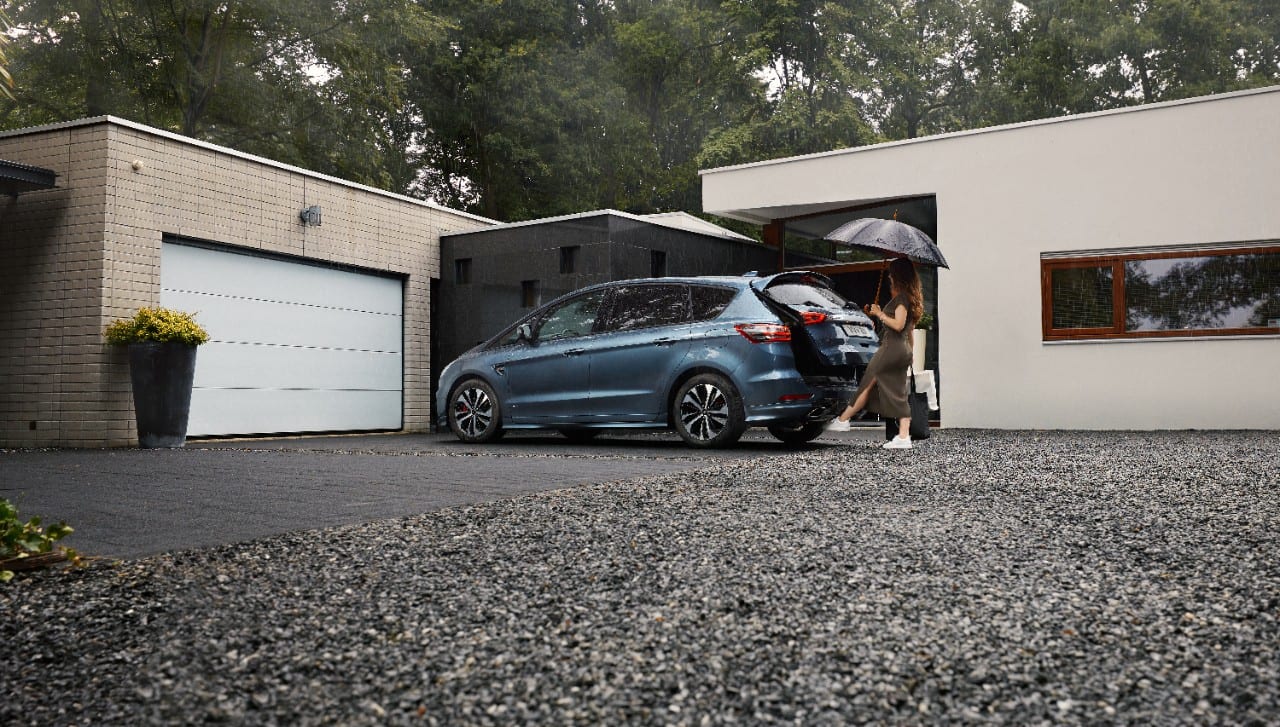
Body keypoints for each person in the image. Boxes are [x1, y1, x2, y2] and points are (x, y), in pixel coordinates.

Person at [825, 257, 924, 449]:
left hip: (891, 348)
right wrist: (910, 352)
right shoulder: (909, 299)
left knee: (868, 382)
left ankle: (844, 420)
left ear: (898, 275)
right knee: (892, 390)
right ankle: (902, 436)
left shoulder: (902, 299)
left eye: (891, 273)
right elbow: (909, 331)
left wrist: (880, 314)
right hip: (900, 349)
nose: (888, 276)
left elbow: (899, 325)